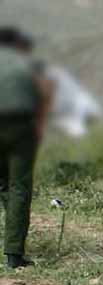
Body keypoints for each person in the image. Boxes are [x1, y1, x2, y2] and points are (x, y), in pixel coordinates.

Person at [0, 27, 50, 269]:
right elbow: (45, 91)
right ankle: (13, 254)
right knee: (18, 187)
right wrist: (40, 124)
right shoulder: (29, 62)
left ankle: (12, 239)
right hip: (21, 126)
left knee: (6, 186)